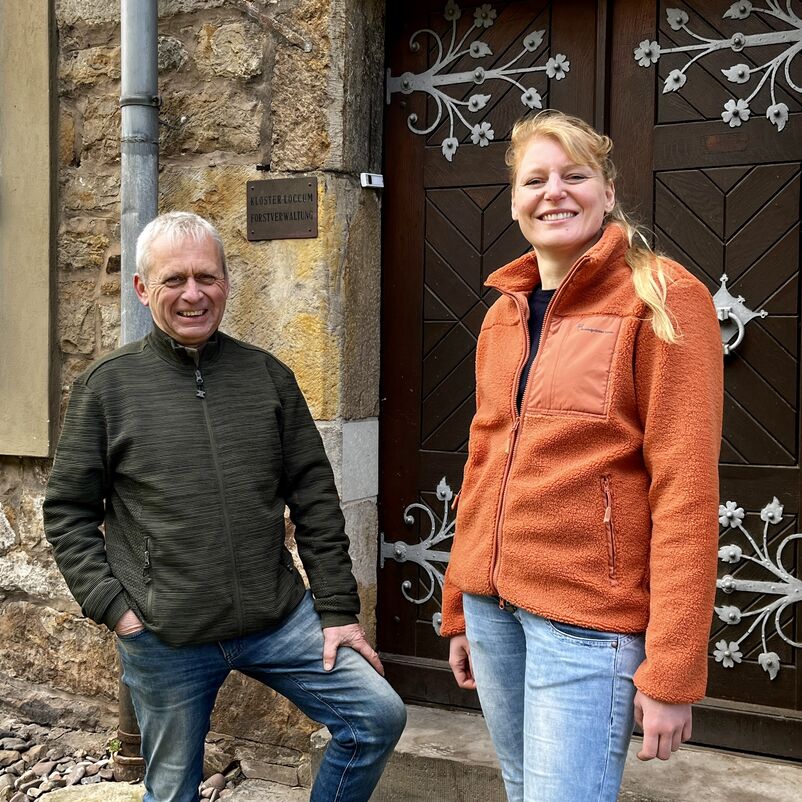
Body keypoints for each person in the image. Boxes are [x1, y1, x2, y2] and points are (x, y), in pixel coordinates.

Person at [43, 211, 406, 802]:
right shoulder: (107, 387)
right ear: (141, 289)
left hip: (279, 622)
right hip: (166, 635)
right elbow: (67, 512)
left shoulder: (267, 378)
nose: (193, 294)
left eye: (207, 277)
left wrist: (338, 609)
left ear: (227, 283)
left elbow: (315, 498)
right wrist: (116, 610)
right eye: (173, 280)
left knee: (376, 718)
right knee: (172, 790)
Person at [441, 111, 723, 802]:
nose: (554, 193)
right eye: (535, 180)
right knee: (520, 789)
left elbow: (685, 490)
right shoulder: (502, 313)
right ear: (514, 201)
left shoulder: (663, 297)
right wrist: (459, 603)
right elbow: (484, 461)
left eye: (574, 175)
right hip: (493, 611)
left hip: (588, 626)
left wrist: (674, 670)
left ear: (607, 189)